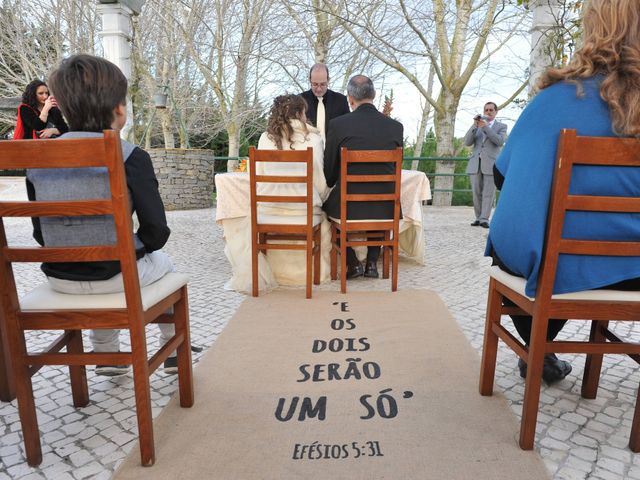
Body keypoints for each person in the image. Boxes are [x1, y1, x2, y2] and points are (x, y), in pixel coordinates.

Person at [486, 0, 640, 383]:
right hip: (632, 270)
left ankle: (538, 348)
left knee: (533, 246)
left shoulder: (554, 98)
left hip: (555, 265)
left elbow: (502, 177)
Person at [26, 54, 178, 376]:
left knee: (121, 259)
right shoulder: (132, 157)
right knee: (164, 263)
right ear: (120, 109)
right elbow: (156, 232)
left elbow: (41, 235)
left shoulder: (38, 159)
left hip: (59, 279)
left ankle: (107, 355)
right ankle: (173, 349)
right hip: (117, 279)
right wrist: (126, 246)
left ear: (63, 107)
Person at [323, 75, 403, 280]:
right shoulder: (395, 127)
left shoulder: (338, 125)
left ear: (350, 99)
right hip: (386, 206)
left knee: (325, 210)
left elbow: (329, 175)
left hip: (348, 206)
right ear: (374, 95)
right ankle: (371, 265)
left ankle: (352, 263)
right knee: (379, 205)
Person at [464, 102, 507, 228]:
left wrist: (486, 128)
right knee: (476, 192)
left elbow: (499, 141)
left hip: (491, 163)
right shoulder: (477, 126)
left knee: (488, 193)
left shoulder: (501, 126)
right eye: (486, 109)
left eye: (491, 110)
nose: (488, 112)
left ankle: (484, 219)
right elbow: (467, 142)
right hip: (475, 163)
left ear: (496, 112)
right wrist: (474, 125)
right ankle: (478, 218)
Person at [300, 63, 350, 142]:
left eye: (323, 84)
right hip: (308, 150)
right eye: (315, 84)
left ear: (328, 80)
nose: (319, 89)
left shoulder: (341, 100)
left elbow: (347, 129)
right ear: (309, 80)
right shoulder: (300, 101)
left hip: (334, 152)